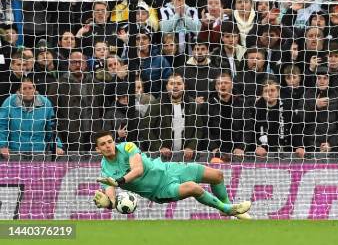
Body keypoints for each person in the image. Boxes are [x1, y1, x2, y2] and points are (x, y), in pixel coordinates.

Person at [92, 131, 252, 219]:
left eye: (110, 141)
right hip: (160, 190)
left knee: (217, 175)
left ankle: (225, 208)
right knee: (193, 188)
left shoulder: (127, 146)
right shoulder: (105, 170)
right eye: (103, 144)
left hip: (168, 169)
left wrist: (119, 181)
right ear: (97, 149)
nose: (108, 146)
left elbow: (138, 169)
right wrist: (109, 204)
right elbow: (111, 194)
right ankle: (228, 209)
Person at [0, 79, 64, 159]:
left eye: (30, 88)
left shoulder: (46, 103)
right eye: (24, 88)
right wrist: (2, 146)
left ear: (35, 89)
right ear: (19, 91)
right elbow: (2, 126)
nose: (27, 91)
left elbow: (51, 128)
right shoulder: (9, 102)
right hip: (14, 152)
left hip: (39, 152)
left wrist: (57, 146)